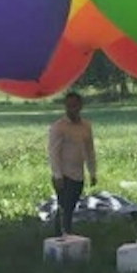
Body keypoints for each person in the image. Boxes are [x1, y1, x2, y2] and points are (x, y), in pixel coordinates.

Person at [47, 91, 97, 237]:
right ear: (65, 107)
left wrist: (92, 172)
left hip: (78, 174)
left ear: (80, 106)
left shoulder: (86, 126)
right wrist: (58, 175)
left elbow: (89, 150)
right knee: (64, 207)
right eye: (69, 106)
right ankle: (62, 235)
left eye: (75, 105)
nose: (72, 109)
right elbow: (54, 152)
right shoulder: (59, 127)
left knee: (71, 206)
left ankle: (66, 234)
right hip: (64, 174)